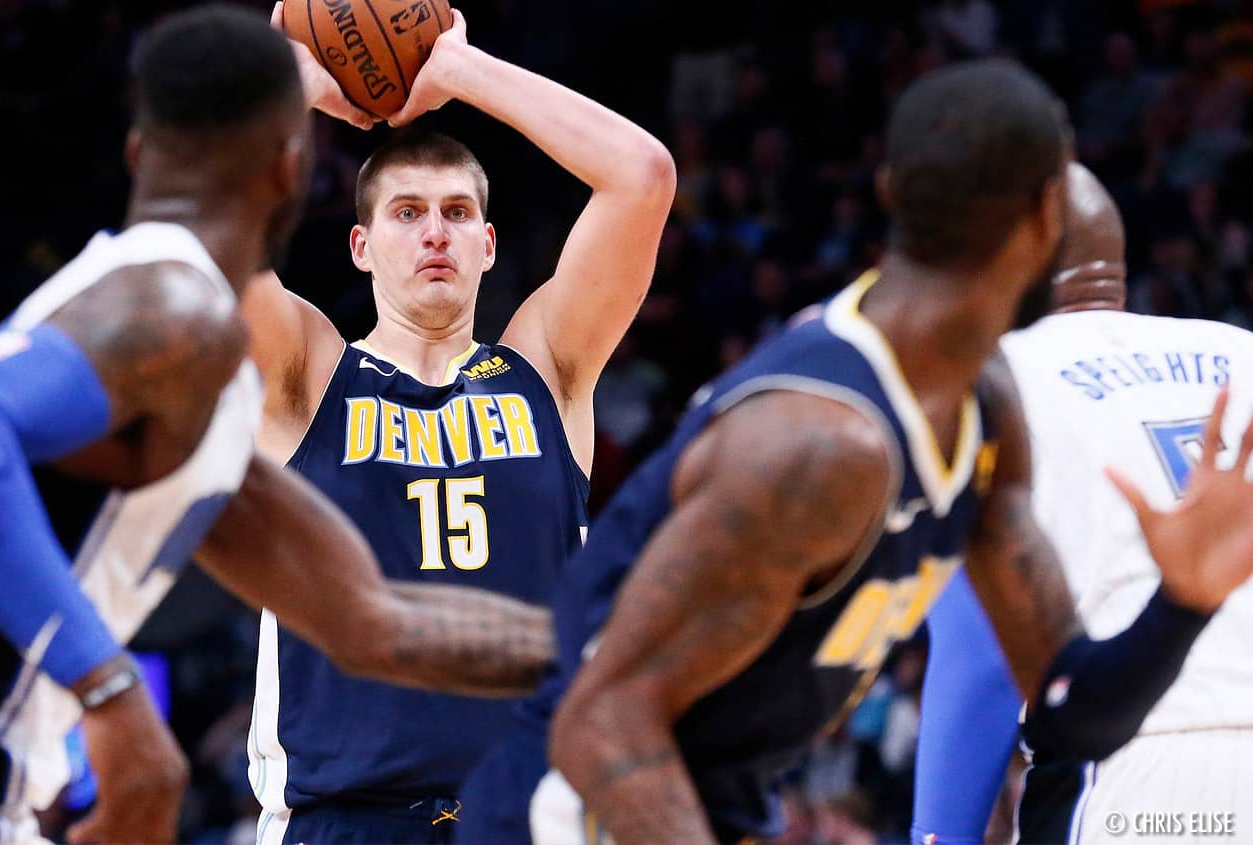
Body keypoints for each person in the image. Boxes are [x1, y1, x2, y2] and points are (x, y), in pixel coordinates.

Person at [454, 59, 1253, 845]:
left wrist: (1182, 604)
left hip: (692, 796)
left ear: (888, 193)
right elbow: (605, 720)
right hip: (568, 807)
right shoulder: (818, 438)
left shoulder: (986, 409)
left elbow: (1071, 712)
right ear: (1048, 214)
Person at [0, 8, 553, 843]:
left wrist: (603, 650)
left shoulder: (193, 372)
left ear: (137, 152)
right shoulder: (170, 303)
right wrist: (111, 691)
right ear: (292, 171)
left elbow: (373, 623)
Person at [243, 6, 675, 844]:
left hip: (527, 812)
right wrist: (287, 83)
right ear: (361, 246)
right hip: (345, 820)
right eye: (407, 213)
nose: (435, 233)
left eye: (456, 212)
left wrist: (459, 70)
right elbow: (197, 235)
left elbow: (643, 175)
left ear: (489, 243)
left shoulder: (548, 369)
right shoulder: (307, 375)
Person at [912, 165, 1253, 845]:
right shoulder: (1242, 350)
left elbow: (979, 653)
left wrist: (937, 836)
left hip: (1136, 759)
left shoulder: (991, 379)